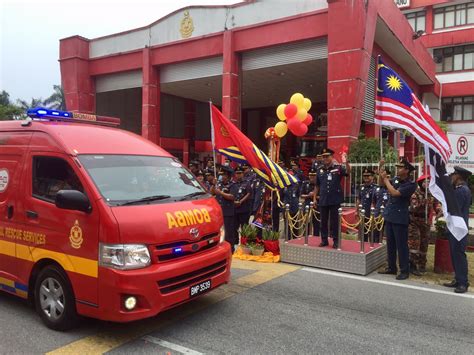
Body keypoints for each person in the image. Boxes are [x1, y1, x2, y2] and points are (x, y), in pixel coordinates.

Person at [378, 157, 417, 280]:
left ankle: (404, 270)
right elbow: (381, 184)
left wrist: (386, 180)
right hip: (390, 215)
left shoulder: (410, 184)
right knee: (390, 244)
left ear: (406, 170)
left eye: (400, 168)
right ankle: (391, 267)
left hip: (400, 218)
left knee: (401, 245)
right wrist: (381, 170)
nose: (398, 169)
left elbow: (395, 193)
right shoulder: (395, 179)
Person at [314, 148, 350, 248]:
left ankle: (336, 241)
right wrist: (314, 199)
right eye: (323, 156)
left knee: (335, 222)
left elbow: (347, 172)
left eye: (327, 156)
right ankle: (324, 240)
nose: (325, 158)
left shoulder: (338, 168)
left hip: (335, 199)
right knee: (323, 221)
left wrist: (346, 162)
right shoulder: (320, 169)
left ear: (331, 157)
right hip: (323, 199)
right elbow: (317, 185)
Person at [443, 166, 472, 293]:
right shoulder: (461, 189)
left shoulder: (461, 191)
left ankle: (463, 283)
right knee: (455, 254)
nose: (452, 177)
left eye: (453, 175)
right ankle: (458, 279)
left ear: (458, 176)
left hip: (458, 229)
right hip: (456, 228)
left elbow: (455, 209)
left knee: (459, 255)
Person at [408, 175, 434, 275]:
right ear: (421, 183)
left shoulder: (431, 194)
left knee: (424, 243)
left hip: (426, 221)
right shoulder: (416, 194)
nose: (427, 184)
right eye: (425, 182)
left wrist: (439, 210)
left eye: (428, 182)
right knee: (415, 243)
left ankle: (422, 264)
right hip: (415, 221)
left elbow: (436, 204)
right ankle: (412, 265)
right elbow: (413, 207)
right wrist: (423, 202)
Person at [211, 166, 238, 252]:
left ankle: (231, 248)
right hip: (220, 211)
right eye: (221, 175)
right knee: (220, 231)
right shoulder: (219, 184)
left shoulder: (233, 185)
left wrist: (221, 193)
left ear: (228, 176)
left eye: (224, 175)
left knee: (229, 232)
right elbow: (212, 192)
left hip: (228, 212)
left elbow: (232, 197)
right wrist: (213, 184)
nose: (222, 176)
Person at [357, 168, 376, 241]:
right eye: (364, 176)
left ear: (372, 177)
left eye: (368, 176)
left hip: (371, 214)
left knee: (372, 234)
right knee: (362, 234)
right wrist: (356, 210)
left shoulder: (375, 188)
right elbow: (359, 199)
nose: (366, 177)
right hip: (362, 213)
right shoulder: (361, 187)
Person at [373, 167, 391, 243]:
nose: (385, 178)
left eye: (388, 177)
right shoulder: (377, 188)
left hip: (389, 214)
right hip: (378, 213)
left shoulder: (392, 187)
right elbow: (374, 201)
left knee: (389, 234)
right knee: (376, 232)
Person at [301, 168, 319, 236]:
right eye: (310, 176)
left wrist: (314, 195)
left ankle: (316, 237)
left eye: (313, 176)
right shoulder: (305, 183)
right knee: (306, 223)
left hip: (316, 205)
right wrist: (309, 195)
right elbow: (301, 195)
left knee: (316, 223)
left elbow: (322, 196)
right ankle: (305, 236)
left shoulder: (319, 185)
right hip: (307, 205)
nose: (312, 178)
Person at [234, 166, 253, 231]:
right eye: (237, 173)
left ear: (243, 174)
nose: (238, 175)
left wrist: (241, 201)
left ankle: (245, 241)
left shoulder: (247, 183)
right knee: (235, 228)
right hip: (235, 209)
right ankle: (235, 241)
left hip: (244, 209)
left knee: (244, 227)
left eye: (240, 173)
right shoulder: (233, 184)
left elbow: (249, 193)